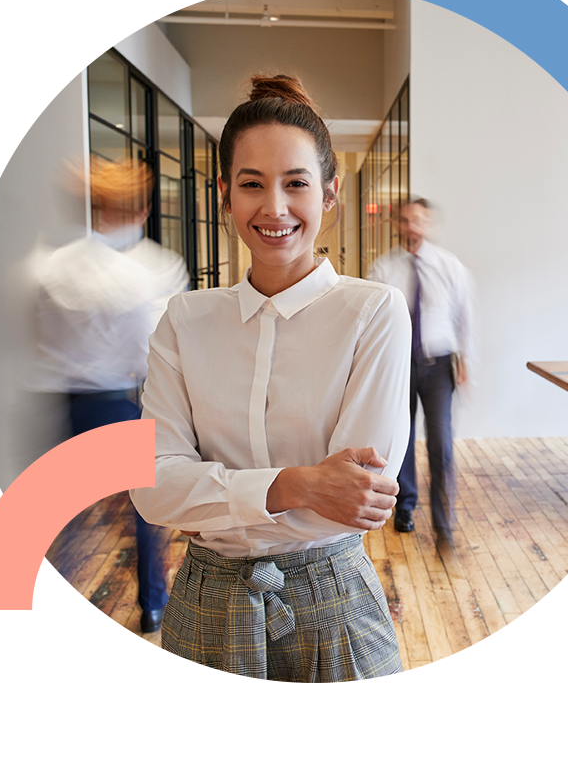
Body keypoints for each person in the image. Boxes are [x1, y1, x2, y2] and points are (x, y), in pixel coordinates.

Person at [131, 74, 410, 683]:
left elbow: (359, 497)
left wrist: (214, 495)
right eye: (252, 184)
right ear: (226, 194)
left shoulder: (373, 312)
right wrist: (298, 484)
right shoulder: (185, 319)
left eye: (297, 184)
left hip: (333, 603)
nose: (274, 208)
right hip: (206, 607)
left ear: (329, 194)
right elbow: (151, 489)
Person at [33, 156, 189, 635]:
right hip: (124, 402)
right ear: (143, 211)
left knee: (64, 518)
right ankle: (153, 606)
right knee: (145, 510)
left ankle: (48, 615)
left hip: (66, 404)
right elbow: (153, 352)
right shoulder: (154, 272)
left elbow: (40, 337)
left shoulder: (52, 266)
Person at [367, 198, 475, 547]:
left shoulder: (449, 266)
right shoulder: (383, 269)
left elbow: (464, 316)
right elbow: (373, 321)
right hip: (399, 365)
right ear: (398, 224)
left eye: (419, 220)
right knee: (403, 438)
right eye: (406, 220)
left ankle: (444, 522)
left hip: (439, 364)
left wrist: (466, 361)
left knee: (442, 443)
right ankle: (406, 506)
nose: (412, 226)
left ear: (427, 225)